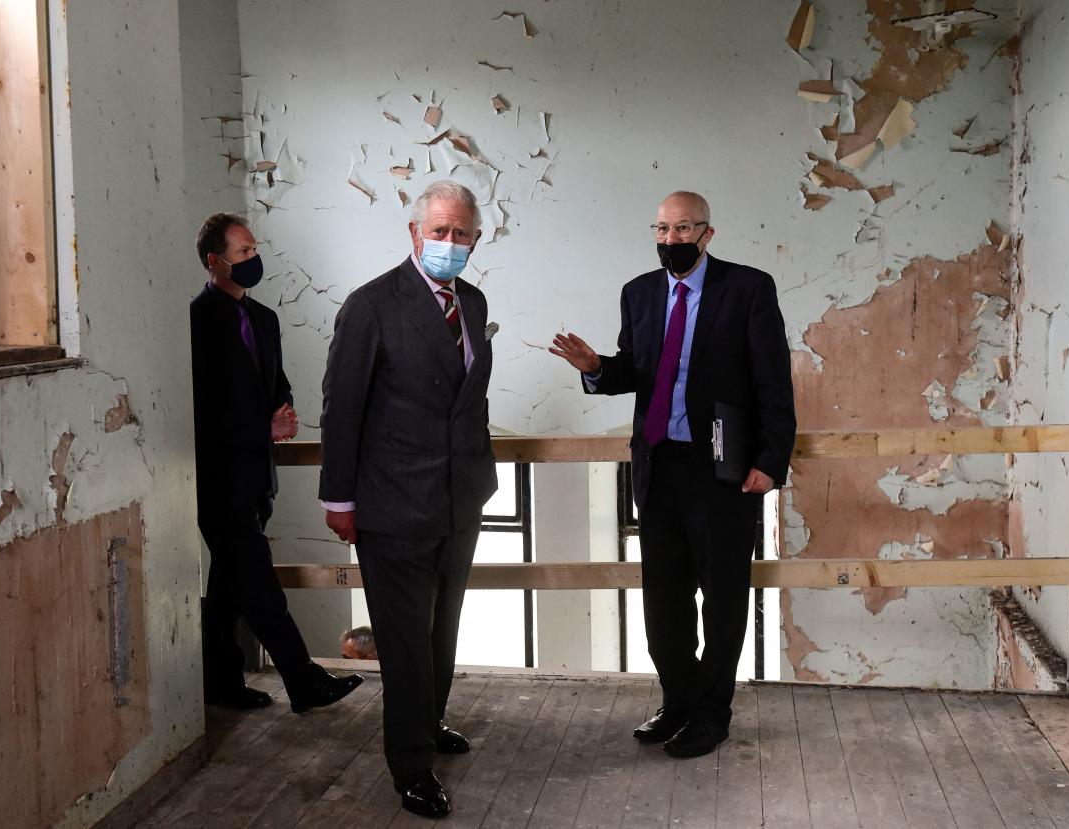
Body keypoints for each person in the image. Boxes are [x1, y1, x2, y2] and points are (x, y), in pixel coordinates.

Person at [550, 191, 795, 759]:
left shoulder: (749, 289)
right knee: (664, 601)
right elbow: (637, 373)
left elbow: (773, 381)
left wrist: (770, 461)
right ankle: (679, 702)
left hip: (724, 470)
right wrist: (595, 370)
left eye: (683, 229)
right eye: (662, 230)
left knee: (723, 598)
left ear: (707, 233)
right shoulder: (638, 293)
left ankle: (713, 715)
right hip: (659, 467)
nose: (671, 241)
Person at [319, 181, 498, 818]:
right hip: (392, 501)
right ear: (415, 233)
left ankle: (428, 724)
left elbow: (467, 400)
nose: (451, 243)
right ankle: (410, 765)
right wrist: (338, 498)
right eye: (440, 231)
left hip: (461, 497)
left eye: (462, 234)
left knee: (442, 627)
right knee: (402, 640)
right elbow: (342, 408)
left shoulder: (471, 302)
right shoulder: (371, 305)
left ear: (477, 238)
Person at [190, 212, 362, 713]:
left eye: (253, 250)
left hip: (258, 478)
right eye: (242, 254)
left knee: (228, 584)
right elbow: (200, 409)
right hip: (219, 480)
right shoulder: (196, 321)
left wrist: (282, 410)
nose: (253, 260)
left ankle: (220, 682)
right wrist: (261, 429)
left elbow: (276, 381)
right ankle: (303, 680)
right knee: (260, 585)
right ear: (213, 261)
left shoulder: (264, 318)